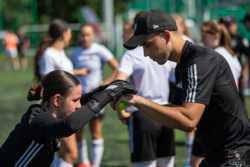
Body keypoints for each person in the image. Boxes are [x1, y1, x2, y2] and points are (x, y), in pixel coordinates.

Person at [111, 10, 250, 166]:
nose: (145, 53)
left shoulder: (200, 60)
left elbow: (188, 120)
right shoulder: (181, 65)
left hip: (235, 154)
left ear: (166, 36)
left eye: (148, 44)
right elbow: (175, 112)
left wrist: (138, 101)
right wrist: (136, 106)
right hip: (214, 154)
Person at [0, 70, 137, 167]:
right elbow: (70, 126)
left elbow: (84, 99)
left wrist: (107, 88)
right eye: (75, 100)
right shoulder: (38, 120)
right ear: (57, 100)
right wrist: (107, 94)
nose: (79, 106)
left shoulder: (49, 113)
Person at [116, 13, 176, 167]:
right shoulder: (167, 54)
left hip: (142, 115)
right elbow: (178, 82)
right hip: (166, 113)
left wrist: (121, 109)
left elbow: (119, 84)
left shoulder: (131, 55)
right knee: (167, 163)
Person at [33, 18, 88, 167]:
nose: (71, 36)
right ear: (64, 34)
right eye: (70, 32)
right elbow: (47, 82)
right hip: (58, 109)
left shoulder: (60, 52)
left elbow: (63, 74)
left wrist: (78, 72)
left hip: (68, 106)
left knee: (64, 153)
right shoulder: (49, 55)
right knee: (71, 154)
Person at [188, 19, 243, 167]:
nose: (201, 40)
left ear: (216, 36)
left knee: (196, 161)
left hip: (215, 121)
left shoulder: (213, 56)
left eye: (204, 36)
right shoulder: (230, 54)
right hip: (231, 121)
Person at [70, 24, 119, 167]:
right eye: (82, 35)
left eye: (88, 35)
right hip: (79, 99)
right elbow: (68, 70)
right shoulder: (76, 52)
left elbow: (117, 68)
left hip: (97, 98)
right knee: (77, 132)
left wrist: (104, 85)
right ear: (79, 36)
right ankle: (84, 163)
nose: (85, 38)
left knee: (96, 132)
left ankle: (95, 165)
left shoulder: (99, 50)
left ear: (93, 36)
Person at [172, 14, 194, 167]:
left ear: (183, 26)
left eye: (176, 24)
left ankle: (189, 160)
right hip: (173, 85)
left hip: (186, 86)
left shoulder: (187, 42)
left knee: (190, 123)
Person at [220, 15, 249, 104]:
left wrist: (244, 71)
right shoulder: (221, 39)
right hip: (224, 72)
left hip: (236, 73)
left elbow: (248, 55)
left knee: (237, 96)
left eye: (229, 24)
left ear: (235, 25)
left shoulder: (240, 39)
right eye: (226, 25)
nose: (227, 27)